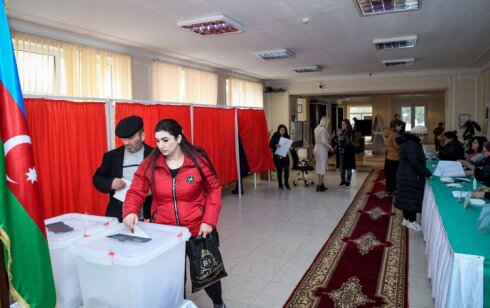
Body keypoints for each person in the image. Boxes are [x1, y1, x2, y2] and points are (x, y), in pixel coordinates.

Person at [122, 119, 226, 308]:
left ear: (178, 138)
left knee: (208, 273)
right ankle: (179, 304)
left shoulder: (197, 160)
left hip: (197, 229)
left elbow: (214, 189)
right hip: (166, 233)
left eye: (165, 140)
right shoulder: (150, 163)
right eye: (157, 141)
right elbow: (136, 190)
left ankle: (218, 304)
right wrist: (130, 211)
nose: (161, 146)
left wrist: (209, 220)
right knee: (174, 278)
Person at [93, 115, 153, 222]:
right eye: (124, 139)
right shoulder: (111, 156)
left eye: (130, 138)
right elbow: (97, 178)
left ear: (142, 135)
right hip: (118, 217)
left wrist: (153, 190)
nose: (126, 142)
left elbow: (167, 182)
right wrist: (110, 183)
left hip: (147, 216)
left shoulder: (154, 155)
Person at [394, 132, 432, 231]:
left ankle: (406, 219)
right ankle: (411, 221)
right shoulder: (411, 144)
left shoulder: (406, 143)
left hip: (405, 173)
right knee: (411, 197)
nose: (423, 137)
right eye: (422, 134)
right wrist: (427, 173)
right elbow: (415, 162)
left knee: (406, 197)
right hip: (411, 175)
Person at [383, 119, 405, 195]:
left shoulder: (388, 133)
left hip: (389, 156)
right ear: (396, 126)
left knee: (389, 175)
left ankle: (389, 190)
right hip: (395, 157)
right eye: (400, 126)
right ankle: (393, 189)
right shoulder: (395, 134)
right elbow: (396, 146)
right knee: (394, 175)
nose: (401, 128)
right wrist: (403, 145)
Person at [313, 116, 333, 192]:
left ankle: (320, 183)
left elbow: (326, 137)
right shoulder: (323, 129)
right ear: (326, 122)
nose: (328, 125)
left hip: (316, 149)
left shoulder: (317, 128)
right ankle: (319, 185)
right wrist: (330, 147)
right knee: (323, 167)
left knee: (319, 166)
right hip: (322, 150)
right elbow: (324, 141)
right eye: (328, 123)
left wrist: (331, 136)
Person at [269, 124, 291, 190]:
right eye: (281, 130)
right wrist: (276, 145)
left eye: (284, 130)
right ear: (279, 130)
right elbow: (270, 144)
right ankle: (280, 184)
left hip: (285, 156)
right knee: (279, 171)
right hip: (277, 156)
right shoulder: (275, 135)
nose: (282, 131)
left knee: (286, 170)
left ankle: (286, 183)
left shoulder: (287, 136)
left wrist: (291, 147)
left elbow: (290, 144)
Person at [337, 119, 356, 189]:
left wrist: (343, 137)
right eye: (342, 124)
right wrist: (338, 137)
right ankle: (342, 180)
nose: (342, 125)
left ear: (347, 124)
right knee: (342, 168)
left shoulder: (351, 132)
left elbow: (350, 142)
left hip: (349, 152)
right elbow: (338, 141)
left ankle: (348, 181)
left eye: (344, 124)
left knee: (348, 167)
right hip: (341, 151)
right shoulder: (340, 131)